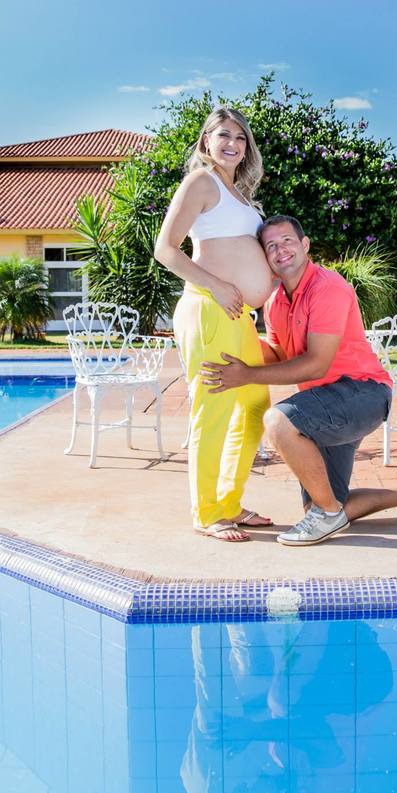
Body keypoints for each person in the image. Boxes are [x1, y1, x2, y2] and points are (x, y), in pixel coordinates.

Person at [201, 215, 397, 546]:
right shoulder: (275, 302)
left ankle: (328, 514)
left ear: (305, 244)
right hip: (323, 405)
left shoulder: (328, 287)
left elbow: (316, 365)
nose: (280, 250)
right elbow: (279, 354)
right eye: (271, 245)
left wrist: (246, 376)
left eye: (287, 241)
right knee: (322, 504)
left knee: (278, 422)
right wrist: (237, 335)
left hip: (363, 393)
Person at [154, 107, 275, 542]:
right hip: (209, 307)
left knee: (254, 406)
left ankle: (228, 502)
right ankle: (206, 513)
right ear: (206, 140)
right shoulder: (200, 182)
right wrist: (218, 286)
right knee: (214, 409)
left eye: (240, 138)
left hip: (238, 317)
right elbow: (165, 249)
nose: (232, 144)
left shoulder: (237, 192)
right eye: (224, 135)